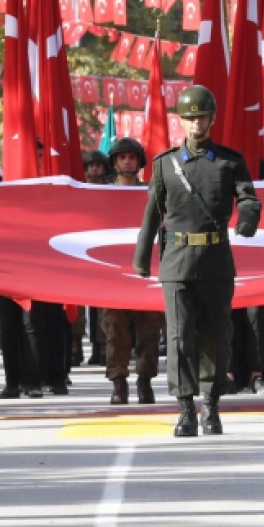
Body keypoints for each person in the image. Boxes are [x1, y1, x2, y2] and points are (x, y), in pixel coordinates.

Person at [134, 85, 262, 437]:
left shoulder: (229, 161)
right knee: (178, 338)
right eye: (189, 118)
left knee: (217, 336)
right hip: (176, 263)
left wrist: (248, 219)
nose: (196, 124)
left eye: (201, 117)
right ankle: (185, 408)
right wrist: (141, 258)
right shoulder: (165, 165)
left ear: (212, 118)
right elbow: (151, 214)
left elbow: (248, 198)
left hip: (216, 261)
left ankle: (212, 406)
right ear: (182, 121)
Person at [101, 137, 162, 405]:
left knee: (149, 332)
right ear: (114, 162)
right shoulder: (100, 195)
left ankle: (145, 381)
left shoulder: (152, 194)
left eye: (132, 157)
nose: (127, 161)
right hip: (112, 275)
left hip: (145, 273)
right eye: (122, 157)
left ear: (139, 163)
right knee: (115, 331)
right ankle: (119, 383)